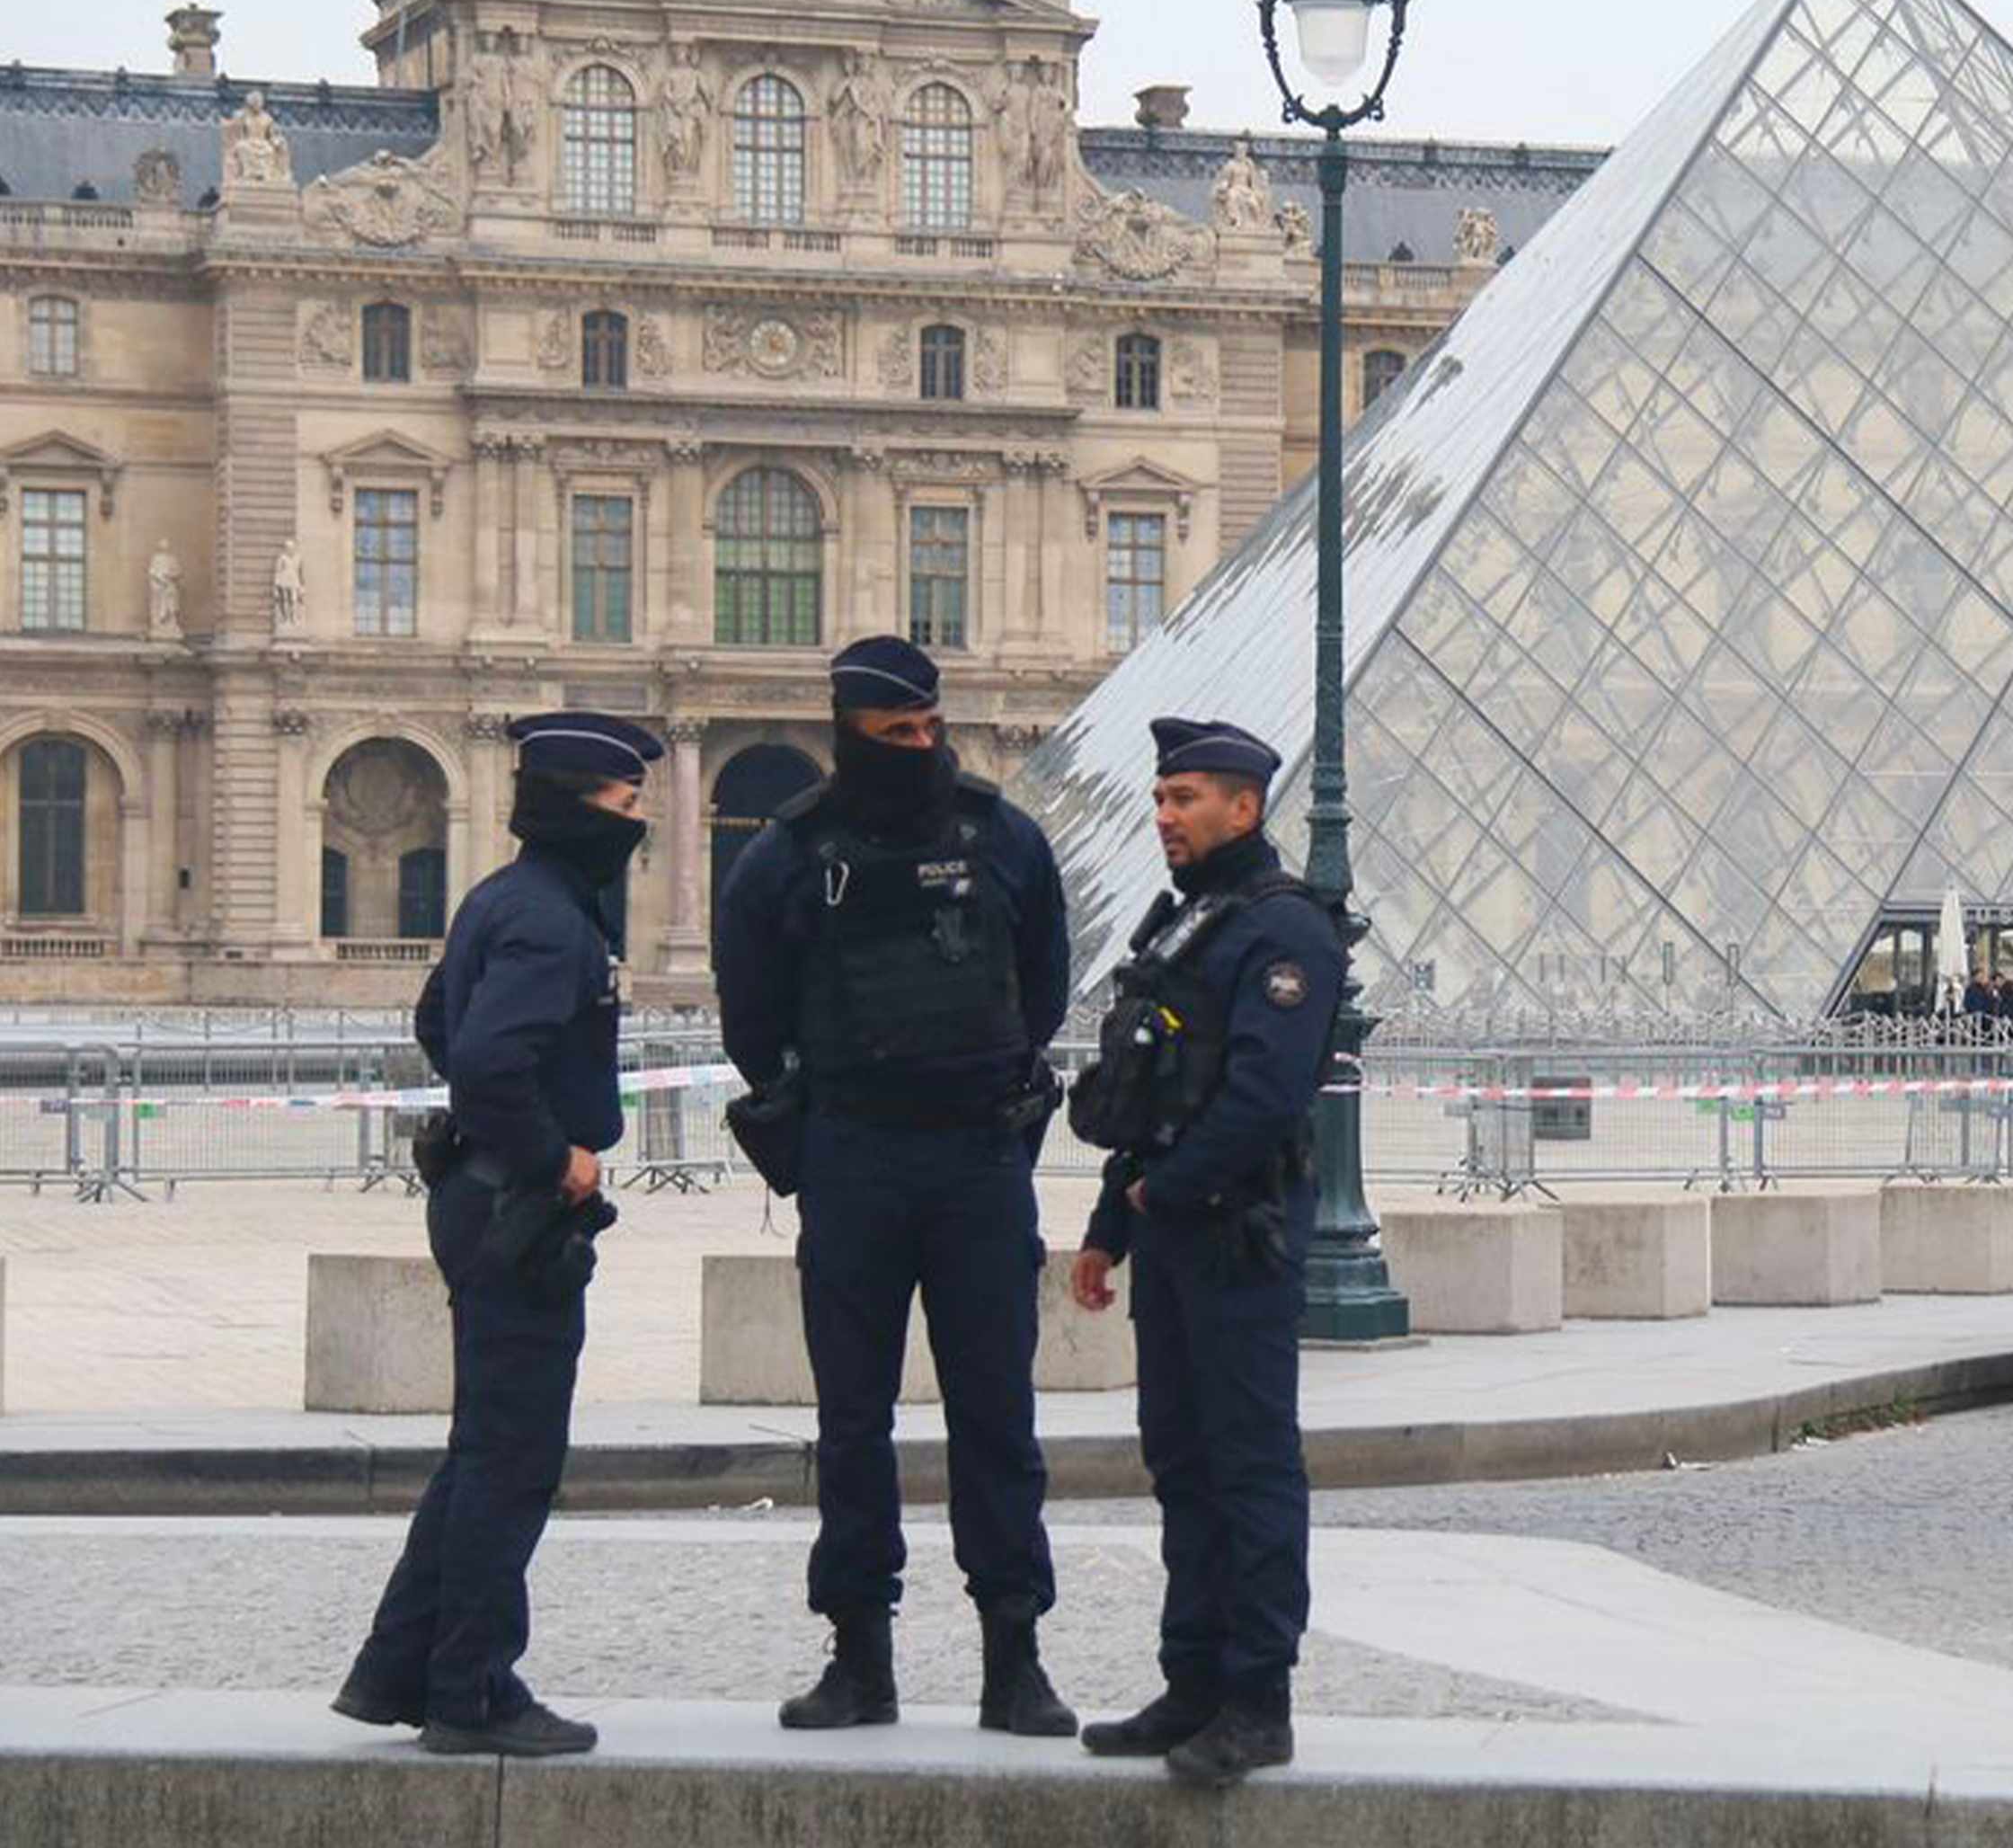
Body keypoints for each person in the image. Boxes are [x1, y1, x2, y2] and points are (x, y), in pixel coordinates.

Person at [713, 636, 1077, 1739]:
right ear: (851, 732)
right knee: (852, 1423)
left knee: (998, 1418)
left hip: (975, 1158)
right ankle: (858, 1656)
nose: (919, 747)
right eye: (896, 734)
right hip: (857, 1157)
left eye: (928, 728)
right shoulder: (786, 857)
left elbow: (1043, 992)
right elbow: (749, 1020)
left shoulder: (1003, 837)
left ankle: (1015, 1656)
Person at [334, 712, 658, 1757]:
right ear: (577, 808)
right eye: (626, 804)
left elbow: (439, 1022)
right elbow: (481, 1057)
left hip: (475, 1192)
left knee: (481, 1450)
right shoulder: (555, 921)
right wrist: (554, 1156)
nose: (638, 822)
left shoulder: (502, 897)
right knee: (514, 1462)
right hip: (515, 1206)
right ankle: (473, 1690)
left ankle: (400, 1670)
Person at [1069, 718, 1345, 1787]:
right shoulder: (1190, 924)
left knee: (1249, 1468)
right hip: (1175, 1229)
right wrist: (1112, 1226)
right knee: (1181, 1464)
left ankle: (1258, 1698)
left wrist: (1162, 1192)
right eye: (1160, 798)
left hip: (1238, 1233)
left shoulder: (1285, 931)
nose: (1164, 816)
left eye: (1185, 798)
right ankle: (1190, 1682)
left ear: (1246, 807)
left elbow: (1262, 1097)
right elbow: (1152, 1094)